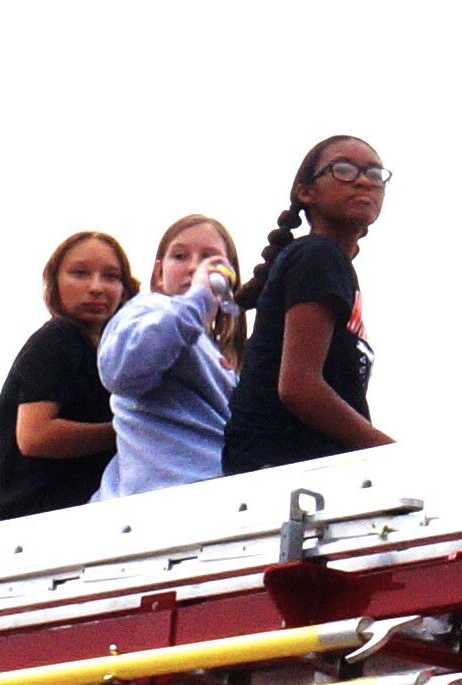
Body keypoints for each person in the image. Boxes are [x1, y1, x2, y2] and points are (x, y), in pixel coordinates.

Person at [222, 135, 392, 474]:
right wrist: (390, 454)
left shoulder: (331, 265)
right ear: (306, 192)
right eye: (344, 169)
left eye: (375, 174)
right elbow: (299, 387)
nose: (363, 180)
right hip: (279, 473)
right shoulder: (317, 255)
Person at [0, 232, 139, 521]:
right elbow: (34, 436)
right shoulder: (58, 338)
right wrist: (127, 430)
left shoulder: (113, 355)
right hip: (34, 525)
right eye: (80, 273)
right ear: (54, 282)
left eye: (111, 276)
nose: (96, 287)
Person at [92, 215, 245, 499]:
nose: (193, 267)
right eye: (179, 255)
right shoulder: (148, 309)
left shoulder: (219, 354)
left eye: (210, 258)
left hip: (221, 496)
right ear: (159, 275)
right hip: (166, 500)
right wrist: (197, 301)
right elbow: (121, 369)